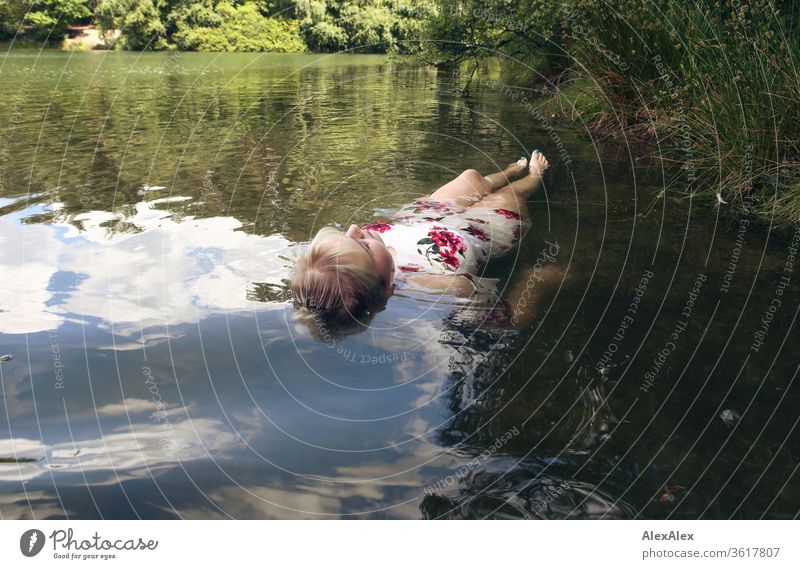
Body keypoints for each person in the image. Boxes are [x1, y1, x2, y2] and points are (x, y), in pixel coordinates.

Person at [291, 150, 552, 335]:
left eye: (346, 237)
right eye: (362, 245)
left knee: (472, 177)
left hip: (422, 218)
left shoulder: (360, 261)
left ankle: (510, 170)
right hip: (478, 229)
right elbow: (510, 321)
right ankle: (533, 175)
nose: (354, 229)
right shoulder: (440, 289)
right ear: (387, 289)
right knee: (509, 195)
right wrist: (537, 279)